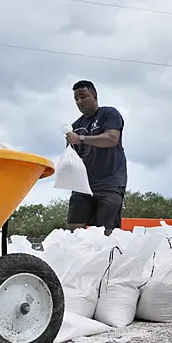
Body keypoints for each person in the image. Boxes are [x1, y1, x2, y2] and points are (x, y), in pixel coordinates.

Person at [65, 80, 128, 235]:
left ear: (94, 96)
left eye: (83, 96)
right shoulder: (75, 125)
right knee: (74, 229)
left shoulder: (109, 114)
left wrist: (80, 138)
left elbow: (112, 139)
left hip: (109, 183)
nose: (79, 101)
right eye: (76, 99)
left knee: (105, 231)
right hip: (83, 185)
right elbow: (72, 158)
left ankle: (107, 258)